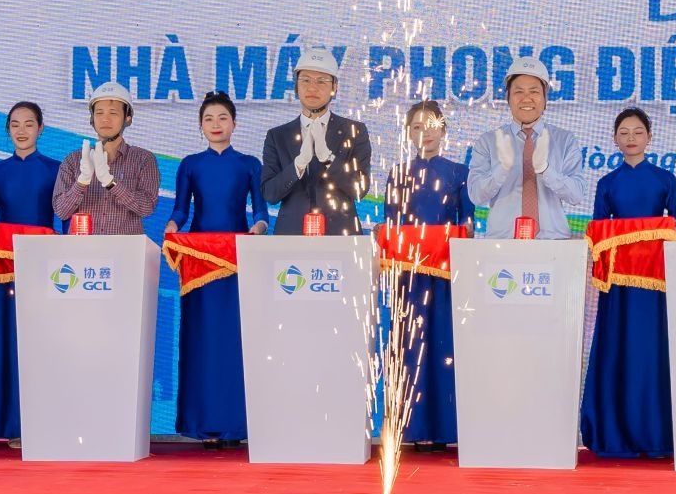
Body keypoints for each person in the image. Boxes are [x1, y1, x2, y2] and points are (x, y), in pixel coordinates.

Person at [581, 108, 676, 460]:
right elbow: (597, 232)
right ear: (614, 139)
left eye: (638, 132)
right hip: (619, 286)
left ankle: (656, 434)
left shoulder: (665, 179)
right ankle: (616, 435)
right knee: (618, 348)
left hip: (655, 284)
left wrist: (669, 230)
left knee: (652, 350)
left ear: (649, 137)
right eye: (623, 132)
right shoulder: (607, 182)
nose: (631, 138)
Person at [171, 90, 268, 441]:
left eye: (222, 118)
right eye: (208, 119)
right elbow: (180, 211)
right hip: (199, 261)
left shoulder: (249, 164)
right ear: (200, 125)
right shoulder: (190, 164)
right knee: (201, 340)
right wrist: (172, 226)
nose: (216, 124)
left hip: (237, 258)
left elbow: (260, 211)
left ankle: (237, 423)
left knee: (234, 339)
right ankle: (204, 424)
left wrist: (259, 227)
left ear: (234, 124)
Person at [0, 100, 60, 443]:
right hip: (3, 273)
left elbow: (65, 222)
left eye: (29, 124)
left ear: (41, 128)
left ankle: (38, 424)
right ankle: (3, 425)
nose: (22, 131)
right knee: (3, 342)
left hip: (43, 271)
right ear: (7, 130)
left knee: (37, 344)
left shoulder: (55, 169)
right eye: (15, 124)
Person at [380, 100, 472, 444]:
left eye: (431, 126)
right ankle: (412, 429)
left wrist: (466, 232)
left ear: (443, 130)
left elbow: (467, 222)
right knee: (410, 344)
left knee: (445, 344)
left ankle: (448, 429)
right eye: (417, 127)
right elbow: (392, 224)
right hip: (410, 276)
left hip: (446, 276)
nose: (425, 133)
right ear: (408, 133)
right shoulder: (398, 173)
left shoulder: (459, 172)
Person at [467, 57, 592, 238]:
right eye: (518, 92)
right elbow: (476, 195)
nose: (526, 98)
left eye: (534, 91)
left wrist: (546, 170)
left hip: (554, 243)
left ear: (545, 98)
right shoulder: (489, 141)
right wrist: (502, 169)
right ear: (508, 97)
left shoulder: (564, 140)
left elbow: (576, 195)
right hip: (502, 243)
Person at [260, 47, 371, 235]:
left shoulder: (354, 131)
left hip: (341, 236)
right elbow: (270, 194)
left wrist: (328, 159)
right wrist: (298, 165)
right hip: (291, 236)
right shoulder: (277, 136)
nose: (312, 88)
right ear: (296, 86)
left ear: (334, 87)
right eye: (305, 80)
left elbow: (359, 189)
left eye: (321, 81)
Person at [53, 81, 163, 236]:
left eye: (113, 113)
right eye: (99, 113)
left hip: (126, 248)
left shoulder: (143, 159)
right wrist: (82, 181)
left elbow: (147, 208)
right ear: (92, 118)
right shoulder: (73, 160)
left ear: (127, 118)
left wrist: (111, 182)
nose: (105, 119)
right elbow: (61, 212)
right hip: (83, 248)